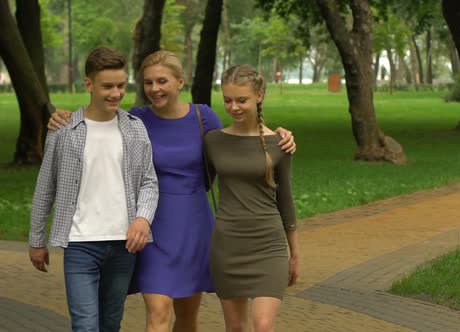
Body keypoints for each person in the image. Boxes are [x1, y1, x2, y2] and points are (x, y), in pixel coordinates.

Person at [48, 50, 296, 332]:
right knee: (158, 311)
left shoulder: (205, 118)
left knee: (187, 318)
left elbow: (241, 140)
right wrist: (63, 117)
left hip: (195, 225)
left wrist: (281, 136)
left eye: (162, 81)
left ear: (180, 82)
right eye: (148, 82)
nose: (155, 89)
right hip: (151, 226)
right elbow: (96, 121)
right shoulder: (134, 120)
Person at [29, 46, 159, 332]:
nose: (115, 93)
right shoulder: (63, 130)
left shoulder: (135, 129)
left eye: (121, 86)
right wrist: (36, 240)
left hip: (123, 244)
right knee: (86, 325)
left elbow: (149, 182)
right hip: (80, 243)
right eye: (107, 86)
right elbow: (45, 186)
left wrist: (142, 218)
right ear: (89, 84)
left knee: (111, 323)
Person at [204, 64, 299, 332]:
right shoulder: (213, 141)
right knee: (235, 328)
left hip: (269, 245)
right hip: (228, 245)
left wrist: (295, 253)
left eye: (241, 100)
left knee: (263, 324)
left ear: (259, 95)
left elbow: (286, 200)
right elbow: (197, 184)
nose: (233, 107)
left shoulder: (280, 143)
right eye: (228, 100)